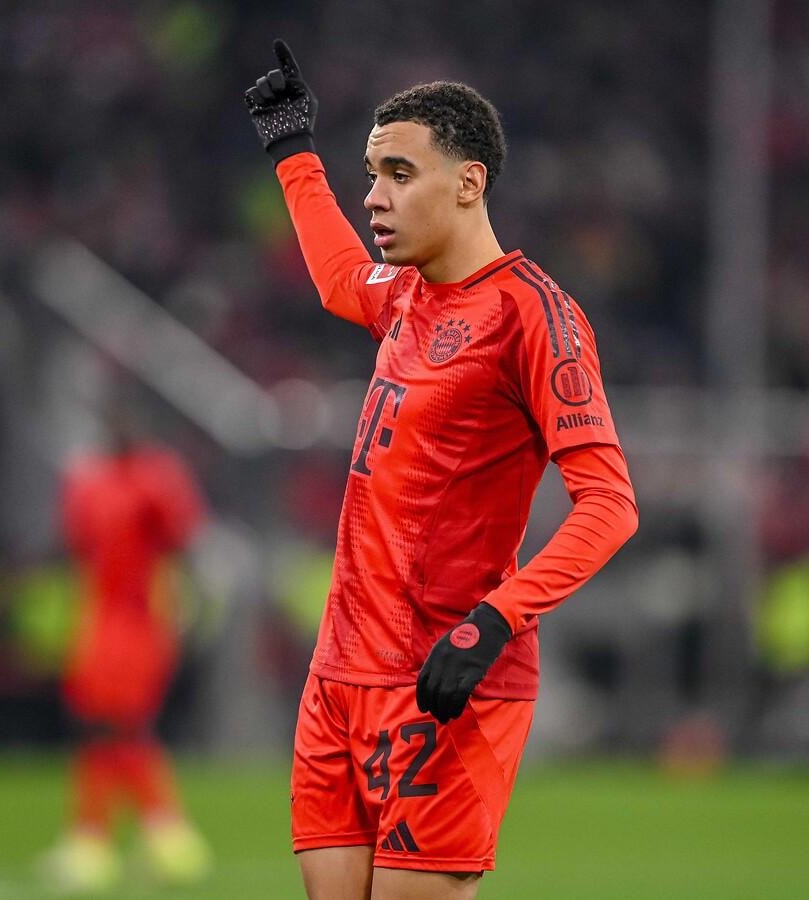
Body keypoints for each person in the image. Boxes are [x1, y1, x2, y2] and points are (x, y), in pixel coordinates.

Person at [245, 41, 640, 900]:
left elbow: (609, 505)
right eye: (371, 175)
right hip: (338, 675)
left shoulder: (535, 317)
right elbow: (339, 278)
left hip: (447, 680)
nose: (374, 195)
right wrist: (294, 153)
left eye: (399, 173)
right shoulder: (407, 295)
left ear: (469, 183)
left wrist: (495, 621)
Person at [41, 402, 212, 892]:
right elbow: (75, 548)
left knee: (120, 729)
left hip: (139, 623)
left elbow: (182, 545)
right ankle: (151, 838)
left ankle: (114, 839)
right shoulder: (91, 482)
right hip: (102, 621)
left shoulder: (155, 479)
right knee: (102, 730)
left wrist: (182, 607)